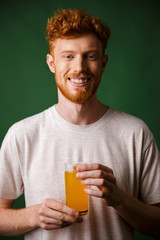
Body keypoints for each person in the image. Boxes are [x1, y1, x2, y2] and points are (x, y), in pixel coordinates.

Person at [0, 8, 160, 240]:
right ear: (51, 63)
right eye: (68, 56)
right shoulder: (22, 134)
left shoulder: (135, 133)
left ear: (103, 64)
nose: (79, 68)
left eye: (90, 56)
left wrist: (120, 199)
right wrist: (33, 216)